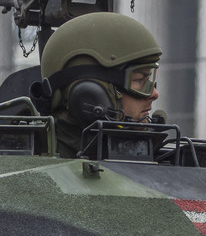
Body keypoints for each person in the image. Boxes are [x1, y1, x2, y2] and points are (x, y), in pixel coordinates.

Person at [36, 12, 163, 157]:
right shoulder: (32, 160)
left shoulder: (153, 156)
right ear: (88, 93)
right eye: (139, 80)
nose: (154, 94)